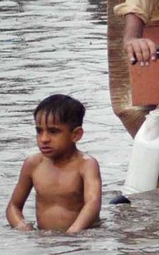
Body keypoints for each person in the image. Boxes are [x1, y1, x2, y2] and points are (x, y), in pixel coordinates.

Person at [6, 94, 102, 233]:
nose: (44, 139)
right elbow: (13, 206)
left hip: (79, 240)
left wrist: (74, 232)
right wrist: (22, 227)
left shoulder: (86, 165)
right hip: (44, 242)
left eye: (53, 131)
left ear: (76, 134)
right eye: (39, 131)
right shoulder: (33, 164)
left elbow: (93, 203)